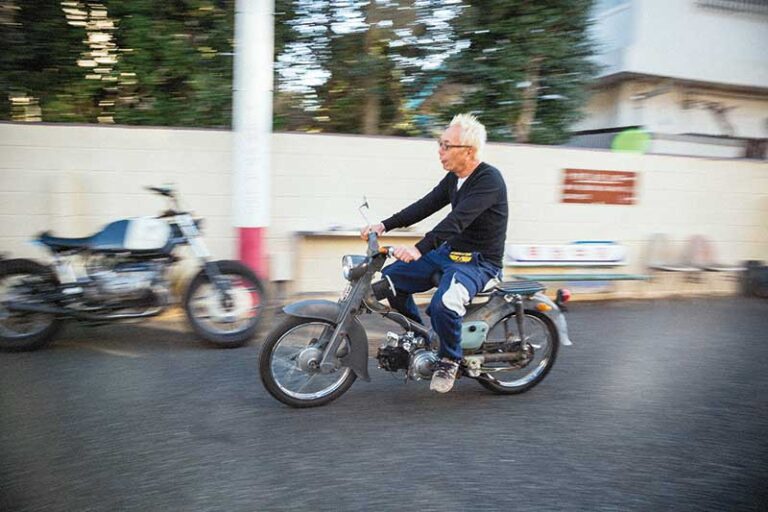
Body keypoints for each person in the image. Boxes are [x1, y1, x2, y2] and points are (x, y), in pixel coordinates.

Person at [360, 113, 508, 393]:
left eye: (446, 145)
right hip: (450, 253)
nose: (440, 151)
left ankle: (450, 360)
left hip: (479, 263)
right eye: (440, 144)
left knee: (444, 304)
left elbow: (457, 221)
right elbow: (424, 206)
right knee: (391, 281)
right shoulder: (454, 179)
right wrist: (383, 225)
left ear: (469, 150)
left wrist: (419, 249)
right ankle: (423, 335)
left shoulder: (489, 180)